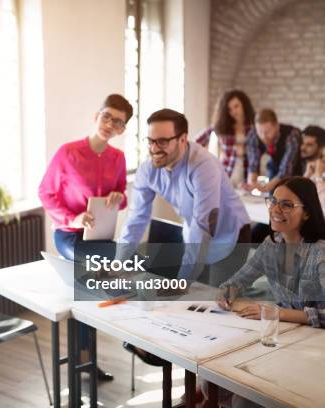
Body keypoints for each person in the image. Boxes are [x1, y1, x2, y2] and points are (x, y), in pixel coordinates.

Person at [117, 108, 251, 368]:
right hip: (194, 234)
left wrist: (182, 281)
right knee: (188, 307)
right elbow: (136, 219)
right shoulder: (148, 170)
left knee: (217, 310)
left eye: (163, 141)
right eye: (151, 140)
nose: (155, 148)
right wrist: (119, 262)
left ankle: (213, 389)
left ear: (183, 139)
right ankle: (172, 361)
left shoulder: (204, 166)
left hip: (230, 235)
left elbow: (204, 225)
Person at [38, 93, 132, 381]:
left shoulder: (118, 158)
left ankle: (92, 355)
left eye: (118, 122)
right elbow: (45, 192)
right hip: (69, 236)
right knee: (91, 284)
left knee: (124, 273)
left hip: (101, 237)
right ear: (96, 116)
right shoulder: (68, 152)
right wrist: (72, 217)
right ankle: (86, 358)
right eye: (107, 116)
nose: (110, 124)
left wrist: (118, 197)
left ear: (122, 129)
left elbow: (122, 199)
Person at [209, 177, 325, 408]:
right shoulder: (272, 244)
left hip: (315, 347)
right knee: (210, 383)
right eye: (273, 201)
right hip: (284, 338)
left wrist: (279, 313)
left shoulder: (320, 253)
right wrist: (227, 291)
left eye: (287, 204)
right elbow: (239, 279)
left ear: (307, 213)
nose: (275, 209)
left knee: (242, 401)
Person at [195, 89, 255, 187]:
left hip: (246, 177)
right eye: (229, 109)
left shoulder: (253, 127)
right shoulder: (222, 126)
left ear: (244, 105)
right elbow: (197, 142)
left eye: (236, 106)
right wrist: (206, 158)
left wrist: (245, 150)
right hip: (225, 174)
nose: (233, 111)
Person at [245, 109, 302, 193]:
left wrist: (268, 186)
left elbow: (286, 169)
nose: (264, 136)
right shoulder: (253, 135)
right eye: (260, 132)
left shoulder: (291, 134)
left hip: (295, 168)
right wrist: (252, 183)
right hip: (274, 164)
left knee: (290, 193)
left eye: (267, 132)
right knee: (272, 195)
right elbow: (253, 163)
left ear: (277, 126)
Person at [304, 144, 325, 209]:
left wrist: (319, 177)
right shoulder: (322, 174)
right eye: (322, 156)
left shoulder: (320, 175)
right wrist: (307, 175)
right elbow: (299, 192)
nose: (323, 160)